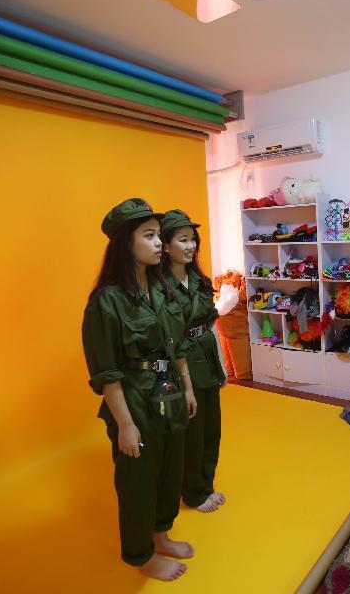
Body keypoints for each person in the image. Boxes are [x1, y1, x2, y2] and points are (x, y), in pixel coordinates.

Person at [81, 198, 198, 582]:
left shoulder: (163, 288)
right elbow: (107, 373)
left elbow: (177, 345)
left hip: (168, 394)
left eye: (157, 236)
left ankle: (160, 535)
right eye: (148, 236)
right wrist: (126, 426)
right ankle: (141, 554)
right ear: (124, 245)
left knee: (168, 469)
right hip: (133, 398)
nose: (159, 244)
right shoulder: (106, 302)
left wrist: (189, 389)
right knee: (137, 482)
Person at [160, 209, 228, 513]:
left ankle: (205, 483)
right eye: (182, 240)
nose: (190, 246)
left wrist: (221, 365)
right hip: (182, 362)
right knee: (191, 431)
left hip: (206, 355)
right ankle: (194, 492)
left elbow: (209, 321)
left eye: (192, 240)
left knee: (211, 427)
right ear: (166, 245)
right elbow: (171, 337)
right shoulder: (159, 287)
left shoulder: (200, 280)